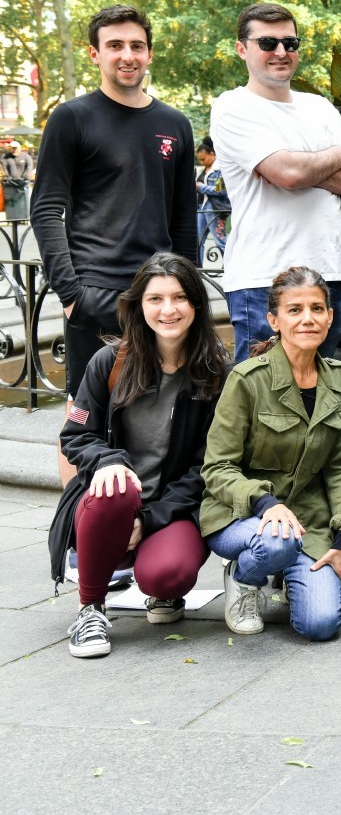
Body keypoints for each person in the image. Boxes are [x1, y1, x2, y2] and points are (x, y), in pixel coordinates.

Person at [50, 254, 227, 658]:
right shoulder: (110, 363)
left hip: (172, 508)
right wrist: (108, 461)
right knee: (116, 485)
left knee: (167, 575)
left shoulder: (216, 373)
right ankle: (90, 608)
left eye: (180, 297)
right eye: (155, 299)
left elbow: (209, 468)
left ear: (196, 305)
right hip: (109, 502)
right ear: (138, 306)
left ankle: (162, 591)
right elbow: (76, 435)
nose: (168, 310)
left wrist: (148, 520)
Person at [33, 5, 197, 409]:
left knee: (159, 412)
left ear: (150, 53)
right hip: (95, 293)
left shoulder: (176, 124)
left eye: (137, 45)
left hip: (160, 296)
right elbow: (46, 208)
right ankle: (80, 479)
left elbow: (183, 216)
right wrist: (72, 295)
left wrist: (187, 293)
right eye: (115, 45)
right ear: (95, 54)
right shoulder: (71, 119)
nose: (128, 55)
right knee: (84, 417)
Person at [199, 266, 341, 642]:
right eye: (295, 310)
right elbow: (217, 467)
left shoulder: (339, 380)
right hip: (242, 516)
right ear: (274, 320)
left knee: (320, 625)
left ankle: (288, 569)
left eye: (317, 309)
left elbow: (340, 469)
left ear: (330, 316)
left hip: (308, 521)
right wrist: (266, 503)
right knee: (277, 540)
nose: (308, 319)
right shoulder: (246, 380)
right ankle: (243, 578)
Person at [209, 3, 341, 363]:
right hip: (263, 279)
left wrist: (295, 165)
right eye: (267, 42)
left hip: (326, 277)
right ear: (242, 49)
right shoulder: (233, 107)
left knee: (317, 398)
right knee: (264, 406)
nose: (281, 52)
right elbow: (289, 173)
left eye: (290, 43)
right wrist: (330, 156)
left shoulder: (319, 107)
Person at [195, 138, 231, 265]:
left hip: (215, 209)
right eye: (199, 159)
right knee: (197, 242)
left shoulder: (220, 170)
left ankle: (230, 268)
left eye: (203, 159)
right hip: (201, 208)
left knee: (220, 242)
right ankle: (199, 272)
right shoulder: (203, 170)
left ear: (212, 154)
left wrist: (200, 187)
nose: (201, 162)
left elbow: (221, 190)